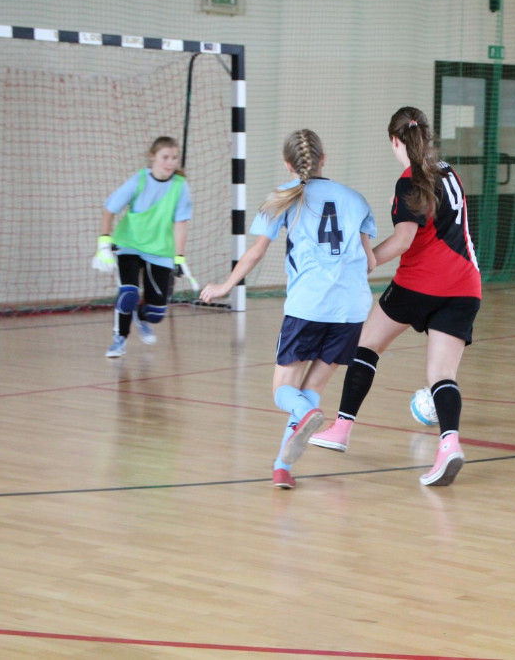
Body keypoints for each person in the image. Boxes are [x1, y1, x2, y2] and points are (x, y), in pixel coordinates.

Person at [308, 106, 481, 487]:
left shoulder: (409, 182)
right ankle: (449, 445)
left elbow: (404, 241)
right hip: (466, 286)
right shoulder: (448, 172)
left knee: (366, 346)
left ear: (394, 140)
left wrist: (365, 260)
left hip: (418, 284)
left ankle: (342, 428)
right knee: (441, 375)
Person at [199, 129, 377, 489]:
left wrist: (225, 286)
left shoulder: (282, 196)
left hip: (309, 306)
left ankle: (304, 417)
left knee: (285, 391)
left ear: (287, 164)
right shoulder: (355, 199)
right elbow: (370, 262)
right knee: (310, 390)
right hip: (352, 309)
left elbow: (256, 252)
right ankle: (282, 467)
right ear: (323, 159)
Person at [92, 136, 193, 358]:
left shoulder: (180, 186)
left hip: (160, 249)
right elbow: (109, 210)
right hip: (129, 245)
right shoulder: (138, 180)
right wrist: (103, 244)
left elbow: (181, 224)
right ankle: (119, 339)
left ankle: (141, 315)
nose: (170, 162)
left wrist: (179, 257)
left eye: (174, 158)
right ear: (152, 157)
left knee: (156, 313)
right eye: (165, 157)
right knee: (128, 293)